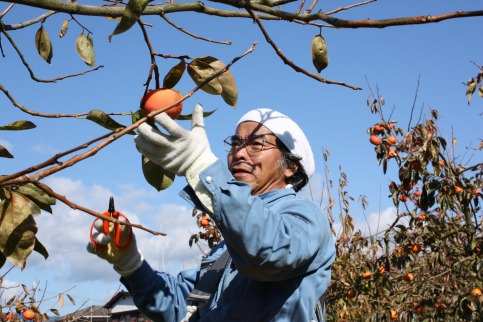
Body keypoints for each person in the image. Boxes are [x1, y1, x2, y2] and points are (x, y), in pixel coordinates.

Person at [87, 104, 336, 322]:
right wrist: (131, 264)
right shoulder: (224, 251)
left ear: (291, 166)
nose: (239, 153)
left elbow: (269, 251)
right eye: (236, 143)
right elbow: (180, 307)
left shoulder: (303, 216)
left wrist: (202, 168)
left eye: (257, 144)